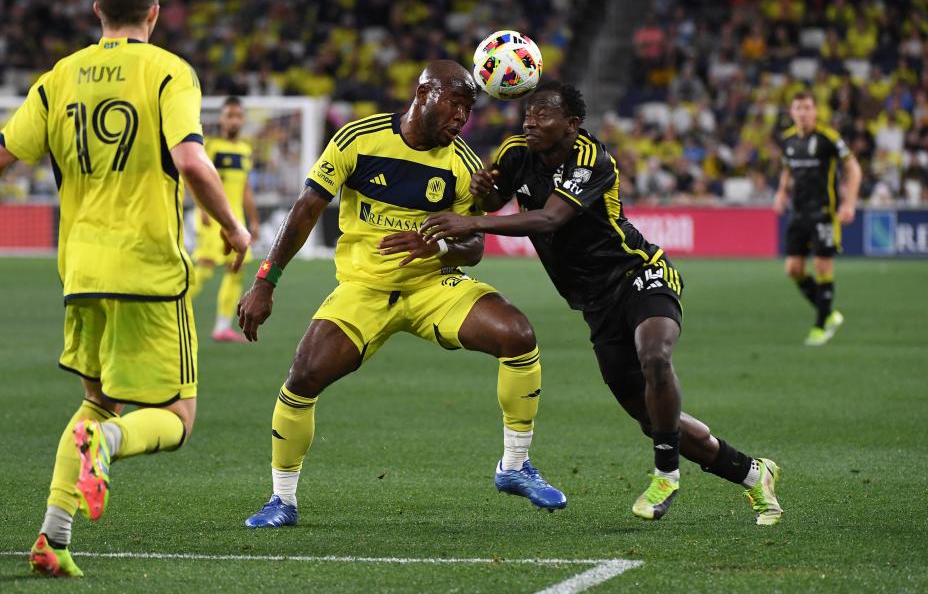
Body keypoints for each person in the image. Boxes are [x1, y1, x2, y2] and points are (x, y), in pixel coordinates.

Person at [0, 0, 250, 576]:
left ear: (96, 11)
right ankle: (111, 447)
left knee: (96, 404)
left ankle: (53, 537)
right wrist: (232, 226)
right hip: (148, 269)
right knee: (177, 416)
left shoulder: (59, 77)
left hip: (80, 272)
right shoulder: (168, 72)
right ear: (154, 13)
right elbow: (194, 163)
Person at [420, 82, 782, 524]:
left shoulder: (593, 159)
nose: (530, 122)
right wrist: (484, 191)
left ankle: (665, 474)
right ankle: (751, 472)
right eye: (528, 114)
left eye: (542, 115)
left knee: (655, 356)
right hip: (595, 303)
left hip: (639, 274)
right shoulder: (517, 150)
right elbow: (497, 197)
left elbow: (551, 217)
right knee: (654, 420)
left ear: (572, 125)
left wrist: (471, 220)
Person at [237, 60, 566, 528]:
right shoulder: (359, 138)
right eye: (455, 104)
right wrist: (266, 281)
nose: (462, 118)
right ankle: (281, 500)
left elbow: (473, 248)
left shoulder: (463, 163)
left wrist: (437, 243)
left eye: (469, 109)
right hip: (364, 288)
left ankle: (514, 466)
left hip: (431, 286)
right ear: (425, 93)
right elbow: (307, 207)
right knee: (304, 376)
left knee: (517, 334)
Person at [773, 92, 862, 345]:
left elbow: (853, 167)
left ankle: (821, 325)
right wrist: (781, 193)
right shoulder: (788, 141)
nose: (803, 112)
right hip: (798, 213)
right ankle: (829, 312)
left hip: (824, 212)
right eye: (798, 108)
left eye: (807, 107)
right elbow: (787, 170)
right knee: (793, 269)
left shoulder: (828, 138)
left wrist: (849, 203)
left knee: (822, 266)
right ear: (792, 112)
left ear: (815, 111)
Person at [189, 96, 260, 342]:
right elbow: (196, 178)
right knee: (205, 268)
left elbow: (245, 189)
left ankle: (222, 327)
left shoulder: (245, 150)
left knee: (236, 270)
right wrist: (201, 209)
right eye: (229, 115)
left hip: (236, 220)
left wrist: (254, 220)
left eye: (238, 115)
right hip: (212, 216)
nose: (234, 120)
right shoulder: (210, 146)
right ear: (221, 119)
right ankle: (168, 312)